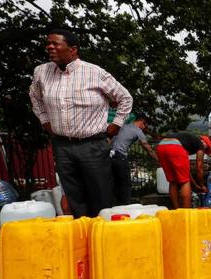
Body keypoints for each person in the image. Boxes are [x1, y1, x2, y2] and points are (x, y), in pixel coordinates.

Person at [29, 29, 133, 218]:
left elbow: (125, 98)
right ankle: (82, 240)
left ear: (73, 50)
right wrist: (45, 121)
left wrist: (115, 125)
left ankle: (101, 238)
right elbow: (35, 98)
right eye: (48, 44)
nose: (50, 47)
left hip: (92, 145)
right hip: (63, 146)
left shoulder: (94, 72)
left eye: (56, 44)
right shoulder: (41, 72)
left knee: (101, 196)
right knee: (74, 197)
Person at [110, 114, 158, 205]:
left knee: (113, 182)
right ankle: (125, 205)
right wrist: (158, 160)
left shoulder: (123, 126)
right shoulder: (138, 131)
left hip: (109, 156)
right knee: (126, 183)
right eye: (145, 126)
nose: (145, 129)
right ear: (142, 122)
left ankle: (113, 204)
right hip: (120, 157)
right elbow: (147, 148)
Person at [155, 132, 211, 209]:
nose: (204, 151)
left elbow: (186, 172)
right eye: (206, 149)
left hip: (161, 146)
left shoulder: (188, 141)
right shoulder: (200, 144)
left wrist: (195, 185)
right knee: (185, 182)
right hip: (175, 147)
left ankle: (177, 210)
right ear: (204, 142)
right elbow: (199, 167)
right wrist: (202, 185)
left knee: (173, 181)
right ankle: (186, 211)